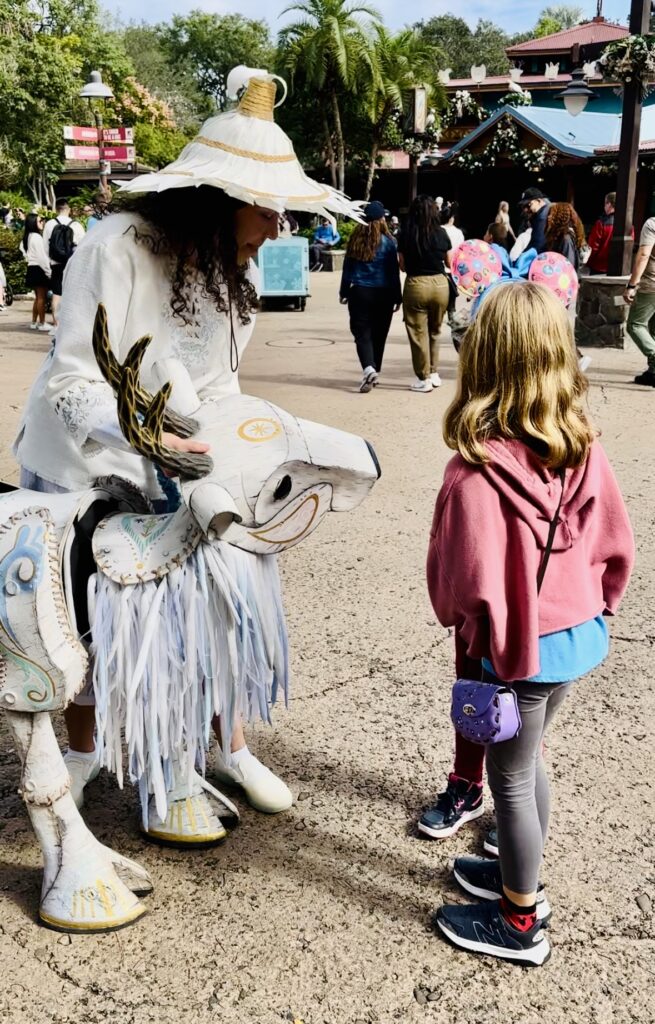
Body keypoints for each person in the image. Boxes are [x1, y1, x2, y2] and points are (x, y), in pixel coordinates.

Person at [13, 69, 363, 841]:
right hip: (87, 465)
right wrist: (144, 440)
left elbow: (220, 380)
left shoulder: (229, 266)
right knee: (86, 618)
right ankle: (87, 748)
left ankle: (221, 743)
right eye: (265, 206)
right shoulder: (113, 248)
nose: (276, 225)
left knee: (216, 604)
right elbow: (74, 378)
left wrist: (245, 442)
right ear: (217, 200)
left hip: (190, 468)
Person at [427, 281, 634, 966]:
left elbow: (457, 588)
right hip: (576, 635)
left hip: (513, 653)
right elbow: (615, 544)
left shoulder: (474, 472)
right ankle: (518, 871)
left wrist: (469, 626)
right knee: (527, 763)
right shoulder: (582, 445)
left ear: (481, 357)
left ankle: (519, 919)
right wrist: (600, 602)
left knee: (509, 776)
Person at [339, 200, 401, 392]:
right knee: (379, 334)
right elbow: (394, 272)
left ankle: (368, 368)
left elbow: (347, 268)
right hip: (384, 293)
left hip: (360, 292)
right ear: (382, 219)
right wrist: (398, 296)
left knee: (361, 333)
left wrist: (343, 291)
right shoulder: (390, 242)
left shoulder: (356, 239)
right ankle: (374, 369)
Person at [397, 194, 451, 392]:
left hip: (416, 284)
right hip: (440, 284)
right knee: (436, 330)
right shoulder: (441, 233)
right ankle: (435, 372)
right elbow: (449, 263)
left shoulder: (405, 234)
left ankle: (423, 378)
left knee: (418, 333)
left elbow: (402, 266)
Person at [623, 213, 655, 387]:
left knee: (635, 325)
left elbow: (644, 254)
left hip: (652, 285)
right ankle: (653, 373)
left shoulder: (652, 224)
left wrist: (631, 285)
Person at [43, 198, 85, 326]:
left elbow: (45, 246)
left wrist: (50, 261)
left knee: (57, 294)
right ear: (69, 209)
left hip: (55, 263)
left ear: (56, 209)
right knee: (71, 293)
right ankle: (70, 323)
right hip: (71, 263)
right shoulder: (76, 225)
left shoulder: (50, 224)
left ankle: (57, 324)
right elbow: (82, 246)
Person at [19, 212, 51, 331]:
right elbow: (42, 257)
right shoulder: (37, 237)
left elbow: (24, 250)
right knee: (42, 297)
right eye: (39, 221)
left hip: (32, 267)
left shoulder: (27, 237)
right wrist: (48, 272)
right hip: (39, 268)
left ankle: (34, 321)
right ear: (33, 223)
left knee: (38, 297)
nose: (42, 222)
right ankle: (42, 323)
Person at [545, 201, 585, 271]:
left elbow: (568, 264)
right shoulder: (559, 236)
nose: (548, 216)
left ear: (559, 216)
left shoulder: (566, 239)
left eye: (551, 213)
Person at [520, 187, 551, 253]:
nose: (526, 210)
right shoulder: (542, 213)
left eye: (529, 205)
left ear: (539, 201)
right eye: (524, 207)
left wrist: (522, 258)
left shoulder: (542, 216)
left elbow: (537, 246)